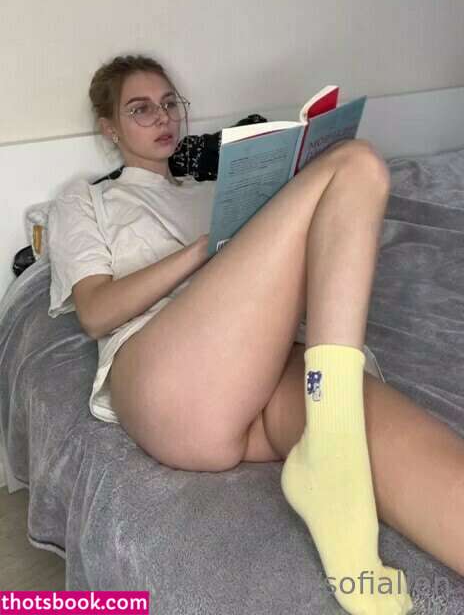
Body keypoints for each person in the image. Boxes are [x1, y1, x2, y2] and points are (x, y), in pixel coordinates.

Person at [47, 53, 464, 615]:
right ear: (110, 128)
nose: (162, 117)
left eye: (170, 103)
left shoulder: (214, 189)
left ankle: (331, 471)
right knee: (357, 164)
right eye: (140, 109)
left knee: (390, 442)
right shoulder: (87, 199)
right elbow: (96, 312)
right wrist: (204, 250)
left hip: (266, 366)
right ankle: (332, 456)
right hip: (169, 380)